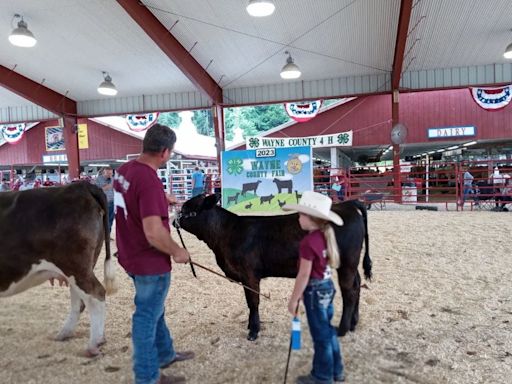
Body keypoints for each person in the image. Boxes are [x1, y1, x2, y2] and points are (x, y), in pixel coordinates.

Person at [114, 123, 194, 384]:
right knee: (146, 316)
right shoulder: (148, 181)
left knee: (154, 308)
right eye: (170, 152)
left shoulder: (124, 171)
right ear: (164, 152)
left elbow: (129, 202)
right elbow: (153, 232)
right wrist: (177, 251)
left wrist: (161, 196)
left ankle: (165, 354)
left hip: (129, 254)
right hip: (150, 261)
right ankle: (147, 376)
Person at [283, 191, 345, 384]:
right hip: (327, 286)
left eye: (301, 214)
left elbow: (303, 274)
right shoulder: (324, 235)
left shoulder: (307, 242)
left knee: (321, 336)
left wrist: (294, 299)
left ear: (312, 219)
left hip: (315, 291)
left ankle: (322, 376)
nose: (298, 217)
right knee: (328, 330)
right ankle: (337, 371)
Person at [95, 166, 115, 236]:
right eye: (108, 174)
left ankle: (107, 235)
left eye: (111, 173)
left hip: (112, 202)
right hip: (102, 203)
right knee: (102, 220)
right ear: (104, 172)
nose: (110, 175)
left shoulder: (113, 179)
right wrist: (107, 187)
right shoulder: (98, 180)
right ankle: (101, 235)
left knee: (110, 220)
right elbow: (96, 191)